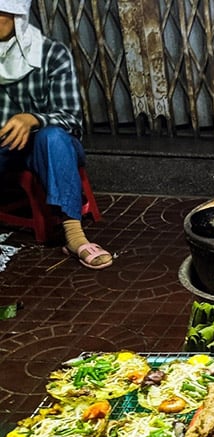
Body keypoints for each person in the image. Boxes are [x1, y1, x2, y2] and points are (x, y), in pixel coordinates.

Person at [0, 0, 112, 269]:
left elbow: (71, 119)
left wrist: (32, 119)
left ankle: (74, 237)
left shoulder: (51, 54)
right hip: (5, 147)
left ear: (19, 18)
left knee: (53, 137)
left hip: (49, 145)